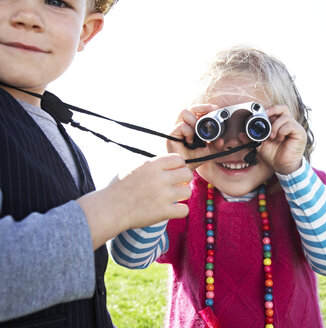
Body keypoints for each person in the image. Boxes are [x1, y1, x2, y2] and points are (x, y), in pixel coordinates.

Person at [111, 45, 326, 328]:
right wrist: (176, 169)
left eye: (255, 126)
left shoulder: (301, 192)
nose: (231, 143)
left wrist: (293, 171)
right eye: (212, 126)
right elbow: (130, 256)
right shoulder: (183, 194)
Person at [0, 0, 192, 325]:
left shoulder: (65, 140)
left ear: (86, 31)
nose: (28, 17)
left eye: (57, 2)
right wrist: (114, 208)